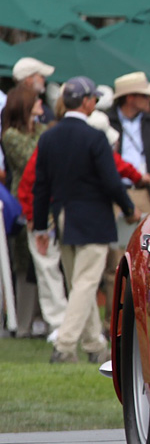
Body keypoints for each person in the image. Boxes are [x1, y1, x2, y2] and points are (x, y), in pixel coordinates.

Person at [32, 76, 139, 364]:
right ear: (87, 102)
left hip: (60, 218)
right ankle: (65, 346)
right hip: (91, 217)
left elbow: (40, 186)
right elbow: (112, 182)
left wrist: (41, 227)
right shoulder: (94, 137)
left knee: (81, 284)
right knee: (84, 283)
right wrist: (129, 209)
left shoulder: (48, 137)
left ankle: (94, 346)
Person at [1, 85, 49, 338]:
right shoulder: (10, 135)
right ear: (25, 104)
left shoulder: (43, 131)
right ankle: (22, 324)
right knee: (23, 264)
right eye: (35, 99)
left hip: (44, 198)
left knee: (43, 262)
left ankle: (43, 321)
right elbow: (33, 159)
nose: (40, 102)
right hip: (22, 201)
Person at [106, 71, 150, 211]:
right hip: (116, 195)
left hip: (148, 195)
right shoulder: (107, 122)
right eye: (145, 96)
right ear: (130, 98)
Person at [11, 57, 56, 125]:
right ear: (29, 80)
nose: (44, 80)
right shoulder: (11, 110)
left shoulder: (45, 112)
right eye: (42, 76)